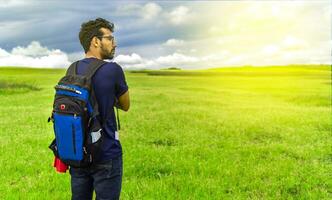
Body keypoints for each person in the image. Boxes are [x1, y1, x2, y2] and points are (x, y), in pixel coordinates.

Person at [69, 18, 130, 200]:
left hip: (78, 153)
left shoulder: (72, 69)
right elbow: (126, 105)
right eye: (110, 38)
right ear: (96, 41)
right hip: (106, 153)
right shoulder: (113, 70)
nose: (114, 43)